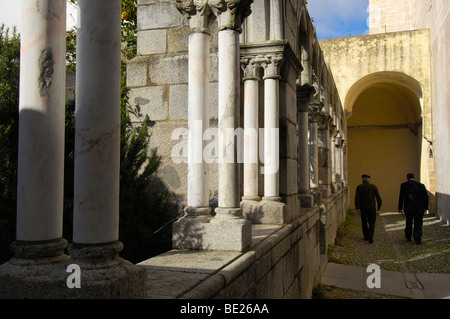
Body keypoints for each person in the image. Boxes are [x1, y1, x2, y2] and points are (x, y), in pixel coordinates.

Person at [398, 173, 429, 244]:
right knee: (418, 223)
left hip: (408, 208)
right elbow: (426, 197)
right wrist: (426, 207)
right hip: (419, 208)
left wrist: (400, 208)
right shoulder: (421, 185)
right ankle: (417, 239)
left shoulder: (403, 185)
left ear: (407, 178)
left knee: (409, 222)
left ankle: (408, 237)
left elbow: (401, 197)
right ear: (414, 177)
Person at [355, 174, 382, 244]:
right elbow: (378, 197)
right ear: (369, 179)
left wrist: (357, 208)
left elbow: (357, 198)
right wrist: (379, 206)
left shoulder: (359, 187)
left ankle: (366, 236)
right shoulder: (373, 187)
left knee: (364, 222)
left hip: (363, 208)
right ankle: (371, 234)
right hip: (371, 207)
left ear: (362, 180)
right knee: (372, 222)